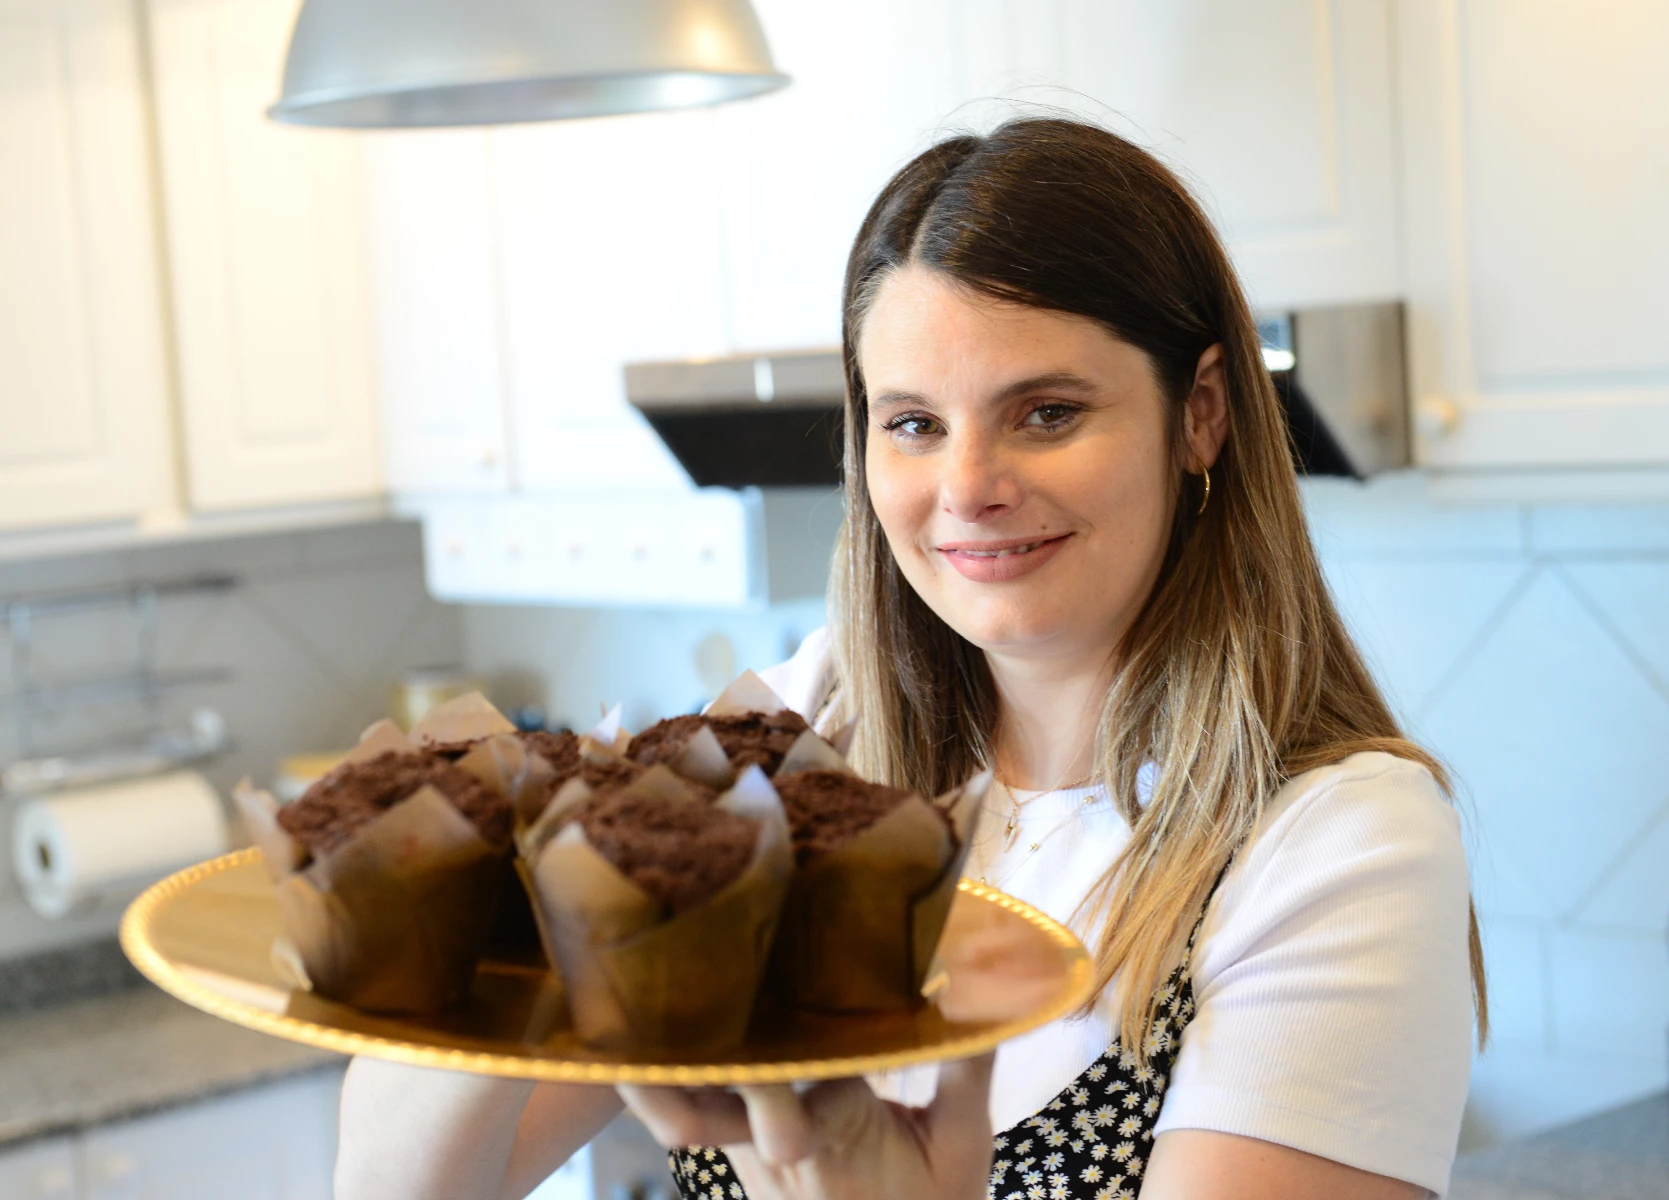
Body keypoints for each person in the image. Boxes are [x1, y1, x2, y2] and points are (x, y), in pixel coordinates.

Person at [335, 117, 1485, 1200]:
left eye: (1045, 411)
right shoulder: (792, 739)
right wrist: (474, 907)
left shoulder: (1336, 847)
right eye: (913, 423)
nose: (967, 488)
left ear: (1201, 414)